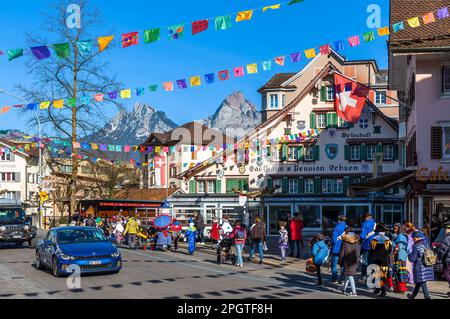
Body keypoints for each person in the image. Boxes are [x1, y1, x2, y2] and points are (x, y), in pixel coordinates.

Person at [407, 231, 435, 299]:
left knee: (422, 283)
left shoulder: (416, 246)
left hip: (420, 267)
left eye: (413, 238)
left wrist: (409, 254)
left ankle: (427, 297)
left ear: (417, 238)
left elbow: (412, 259)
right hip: (427, 265)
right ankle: (412, 297)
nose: (413, 239)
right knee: (419, 283)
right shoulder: (427, 244)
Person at [369, 224, 393, 297]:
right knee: (383, 276)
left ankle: (378, 289)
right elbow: (389, 251)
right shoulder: (387, 239)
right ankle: (383, 291)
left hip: (376, 259)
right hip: (384, 260)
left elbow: (371, 250)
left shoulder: (374, 239)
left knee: (376, 275)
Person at [338, 226, 360, 297]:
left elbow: (342, 253)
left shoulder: (345, 241)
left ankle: (354, 292)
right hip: (354, 260)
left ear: (346, 232)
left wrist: (340, 261)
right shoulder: (356, 240)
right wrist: (357, 260)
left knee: (350, 276)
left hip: (347, 261)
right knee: (347, 275)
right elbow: (358, 252)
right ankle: (343, 288)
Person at [358, 213, 376, 284]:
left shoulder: (365, 224)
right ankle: (372, 278)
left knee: (364, 262)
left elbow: (362, 235)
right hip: (374, 245)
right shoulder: (375, 224)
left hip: (366, 245)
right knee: (372, 262)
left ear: (367, 217)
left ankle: (364, 277)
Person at [392, 223, 409, 293]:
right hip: (402, 256)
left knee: (399, 272)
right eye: (394, 228)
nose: (394, 230)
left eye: (396, 228)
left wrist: (394, 251)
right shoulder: (402, 236)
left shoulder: (400, 236)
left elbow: (398, 247)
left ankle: (401, 288)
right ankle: (400, 288)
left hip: (399, 256)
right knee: (400, 272)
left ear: (399, 228)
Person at [330, 215, 347, 284]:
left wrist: (331, 242)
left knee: (334, 264)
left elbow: (334, 240)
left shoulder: (337, 227)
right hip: (345, 248)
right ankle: (342, 279)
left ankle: (335, 279)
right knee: (342, 264)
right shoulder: (346, 227)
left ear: (339, 220)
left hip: (336, 248)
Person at [437, 223, 450, 298]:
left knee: (446, 274)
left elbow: (443, 249)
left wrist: (439, 257)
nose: (445, 231)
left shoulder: (447, 238)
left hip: (448, 260)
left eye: (445, 229)